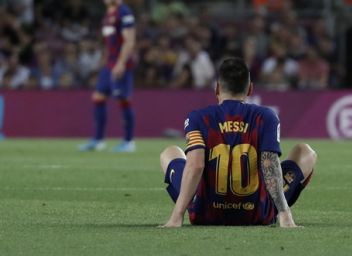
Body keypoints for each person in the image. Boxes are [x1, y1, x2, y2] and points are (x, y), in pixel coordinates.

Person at [160, 58, 317, 227]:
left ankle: (183, 209)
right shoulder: (266, 117)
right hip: (258, 214)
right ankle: (279, 209)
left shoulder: (198, 117)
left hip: (205, 213)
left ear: (217, 88)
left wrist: (177, 216)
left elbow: (196, 165)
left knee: (170, 152)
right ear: (250, 89)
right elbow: (269, 163)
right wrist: (285, 214)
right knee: (305, 151)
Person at [79, 0, 136, 152]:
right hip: (109, 64)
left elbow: (129, 41)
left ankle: (128, 142)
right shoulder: (108, 14)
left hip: (121, 63)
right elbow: (110, 43)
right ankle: (98, 140)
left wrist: (121, 62)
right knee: (98, 97)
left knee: (123, 100)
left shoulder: (124, 12)